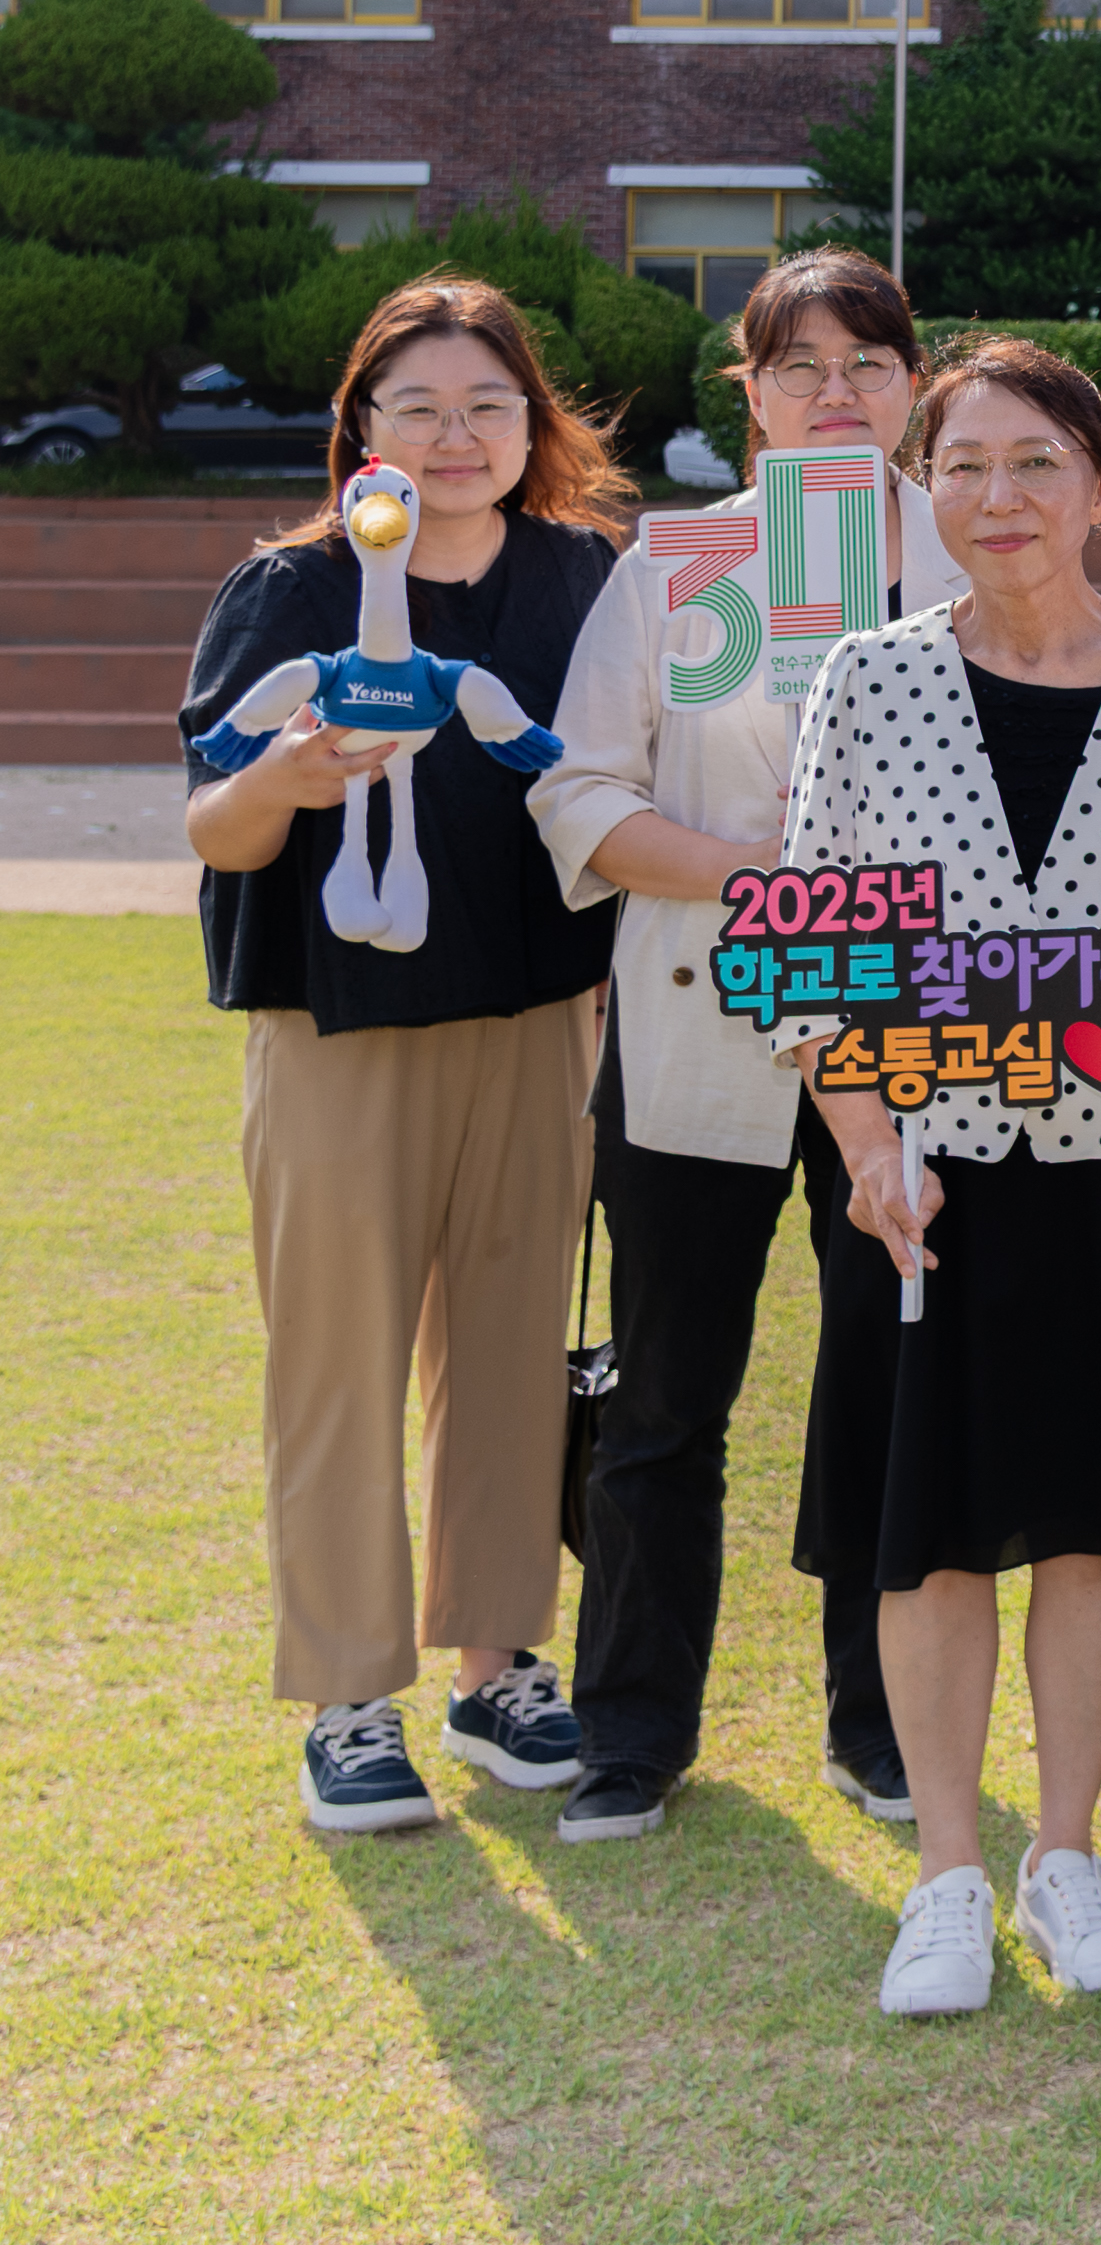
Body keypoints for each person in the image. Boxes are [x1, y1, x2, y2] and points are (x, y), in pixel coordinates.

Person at [775, 339, 1101, 2019]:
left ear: (1098, 478)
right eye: (964, 466)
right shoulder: (867, 676)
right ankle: (943, 1869)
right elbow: (819, 950)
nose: (999, 498)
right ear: (924, 492)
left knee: (1091, 1522)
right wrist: (865, 1152)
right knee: (924, 1533)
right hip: (924, 1180)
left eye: (1035, 462)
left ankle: (1067, 1853)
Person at [185, 280, 628, 1833]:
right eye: (420, 409)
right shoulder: (291, 592)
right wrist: (296, 779)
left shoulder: (591, 579)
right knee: (337, 1366)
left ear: (533, 424)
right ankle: (348, 1700)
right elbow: (212, 821)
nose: (456, 437)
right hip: (334, 1033)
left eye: (488, 407)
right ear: (362, 431)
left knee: (510, 1357)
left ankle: (498, 1668)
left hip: (534, 1028)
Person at [528, 250, 955, 1845]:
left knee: (886, 1391)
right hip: (699, 1026)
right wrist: (756, 876)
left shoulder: (969, 551)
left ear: (913, 384)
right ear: (752, 397)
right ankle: (631, 1727)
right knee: (664, 1400)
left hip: (908, 1035)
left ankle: (882, 1722)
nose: (834, 394)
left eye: (866, 364)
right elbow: (578, 794)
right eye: (798, 368)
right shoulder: (680, 565)